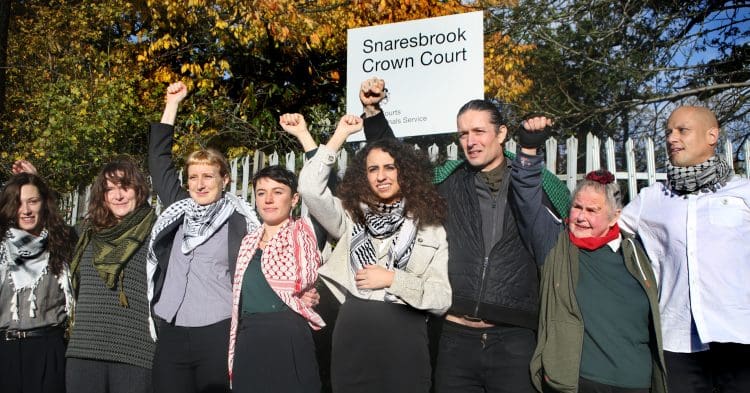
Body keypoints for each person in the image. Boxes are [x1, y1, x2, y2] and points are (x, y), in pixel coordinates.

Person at [510, 119, 667, 393]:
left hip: (635, 383)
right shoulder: (555, 244)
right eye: (577, 207)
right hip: (576, 382)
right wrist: (529, 148)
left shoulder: (636, 253)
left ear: (614, 216)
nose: (580, 217)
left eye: (592, 210)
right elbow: (525, 196)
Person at [298, 115, 452, 393]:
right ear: (363, 176)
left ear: (405, 172)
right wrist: (339, 135)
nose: (381, 176)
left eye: (389, 167)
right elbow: (309, 188)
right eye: (372, 169)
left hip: (405, 336)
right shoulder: (349, 216)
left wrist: (393, 279)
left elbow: (441, 299)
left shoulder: (430, 228)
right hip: (354, 332)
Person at [619, 105, 750, 393]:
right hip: (678, 340)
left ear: (711, 136)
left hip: (739, 334)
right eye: (668, 131)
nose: (671, 138)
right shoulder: (651, 199)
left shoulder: (743, 193)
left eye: (682, 130)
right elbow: (608, 233)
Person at [146, 81, 260, 393]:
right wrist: (172, 104)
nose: (199, 183)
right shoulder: (179, 209)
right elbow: (158, 161)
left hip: (218, 330)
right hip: (170, 326)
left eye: (208, 175)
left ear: (225, 179)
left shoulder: (241, 221)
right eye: (193, 177)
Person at [227, 165, 325, 393]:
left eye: (278, 192)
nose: (268, 199)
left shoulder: (307, 234)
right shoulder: (246, 243)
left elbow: (322, 189)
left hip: (289, 336)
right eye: (261, 193)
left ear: (294, 199)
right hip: (249, 338)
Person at [65, 156, 157, 393]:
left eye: (125, 187)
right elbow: (47, 228)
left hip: (135, 353)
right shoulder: (85, 232)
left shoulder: (155, 231)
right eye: (110, 189)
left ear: (138, 189)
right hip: (85, 351)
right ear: (102, 195)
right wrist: (36, 182)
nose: (118, 196)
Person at [0, 165, 76, 393]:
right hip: (4, 351)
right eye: (18, 203)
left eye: (33, 201)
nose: (25, 210)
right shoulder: (2, 248)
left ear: (45, 203)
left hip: (48, 350)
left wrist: (38, 178)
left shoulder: (62, 244)